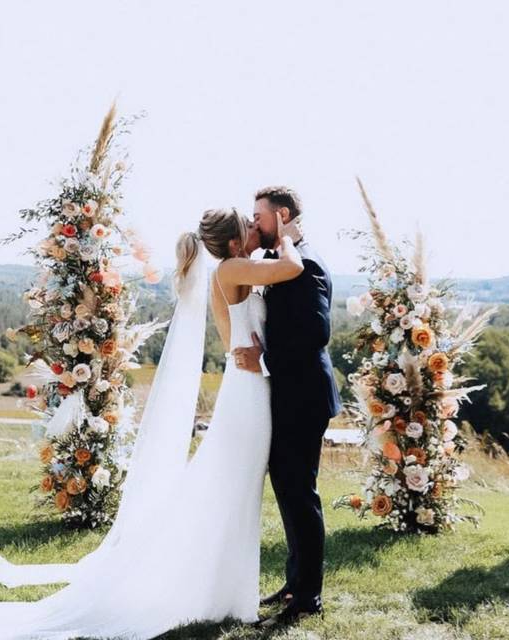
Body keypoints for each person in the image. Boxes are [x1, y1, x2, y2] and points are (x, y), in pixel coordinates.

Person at [0, 207, 304, 639]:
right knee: (234, 489)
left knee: (237, 491)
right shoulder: (232, 268)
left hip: (251, 389)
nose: (257, 227)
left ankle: (228, 594)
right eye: (250, 224)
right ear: (234, 242)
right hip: (246, 396)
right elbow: (291, 266)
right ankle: (220, 592)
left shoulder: (237, 268)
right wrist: (288, 232)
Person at [233, 186, 341, 626]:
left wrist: (264, 357)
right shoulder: (285, 259)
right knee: (288, 490)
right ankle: (295, 581)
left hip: (304, 395)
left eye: (258, 216)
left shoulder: (307, 263)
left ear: (281, 215)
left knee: (301, 494)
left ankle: (308, 597)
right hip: (289, 394)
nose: (253, 222)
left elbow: (315, 333)